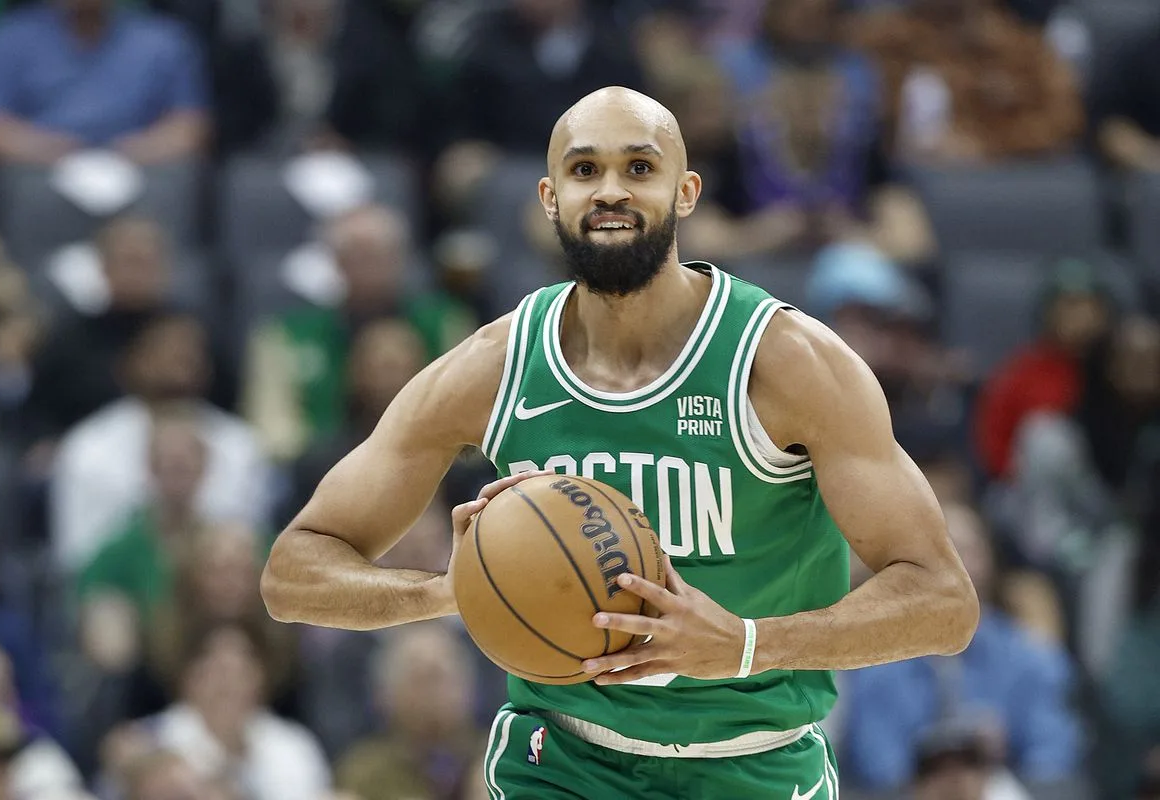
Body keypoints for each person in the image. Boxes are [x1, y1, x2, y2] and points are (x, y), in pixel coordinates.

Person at [261, 86, 978, 798]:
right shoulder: (497, 366)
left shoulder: (786, 362)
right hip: (562, 762)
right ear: (550, 199)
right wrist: (448, 593)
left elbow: (944, 603)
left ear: (686, 192)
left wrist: (747, 645)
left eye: (639, 167)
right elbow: (294, 574)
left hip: (755, 761)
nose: (610, 190)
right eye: (585, 170)